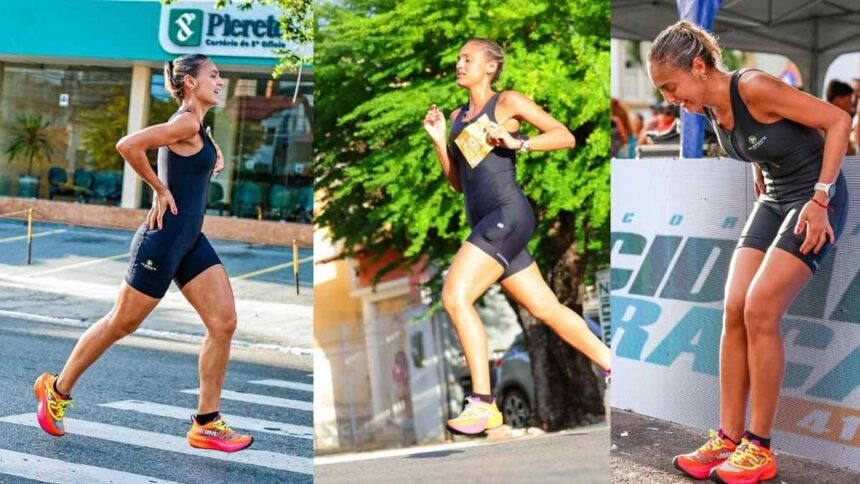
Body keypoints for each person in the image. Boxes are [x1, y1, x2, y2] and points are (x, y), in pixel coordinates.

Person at [648, 21, 849, 484]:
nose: (669, 99)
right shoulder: (710, 110)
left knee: (760, 311)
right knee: (734, 308)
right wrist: (761, 164)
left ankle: (759, 449)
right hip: (776, 197)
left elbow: (837, 121)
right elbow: (768, 140)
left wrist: (821, 198)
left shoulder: (754, 86)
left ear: (699, 67)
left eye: (671, 87)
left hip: (814, 199)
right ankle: (728, 437)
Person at [33, 54, 254, 453]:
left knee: (224, 322)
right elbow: (127, 145)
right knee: (121, 322)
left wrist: (212, 151)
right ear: (190, 82)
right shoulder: (185, 121)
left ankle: (206, 422)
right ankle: (56, 390)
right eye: (213, 75)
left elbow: (187, 155)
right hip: (163, 240)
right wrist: (158, 187)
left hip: (189, 241)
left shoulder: (196, 126)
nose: (221, 80)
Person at [422, 38, 611, 435]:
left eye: (467, 59)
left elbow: (565, 136)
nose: (459, 64)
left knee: (455, 297)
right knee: (546, 309)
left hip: (508, 215)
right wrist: (441, 143)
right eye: (458, 58)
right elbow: (458, 184)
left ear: (490, 67)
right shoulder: (458, 116)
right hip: (487, 222)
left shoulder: (506, 103)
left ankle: (483, 404)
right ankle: (615, 364)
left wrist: (518, 143)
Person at [826, 79, 856, 155]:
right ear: (839, 100)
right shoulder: (832, 121)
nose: (851, 104)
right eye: (849, 99)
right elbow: (849, 153)